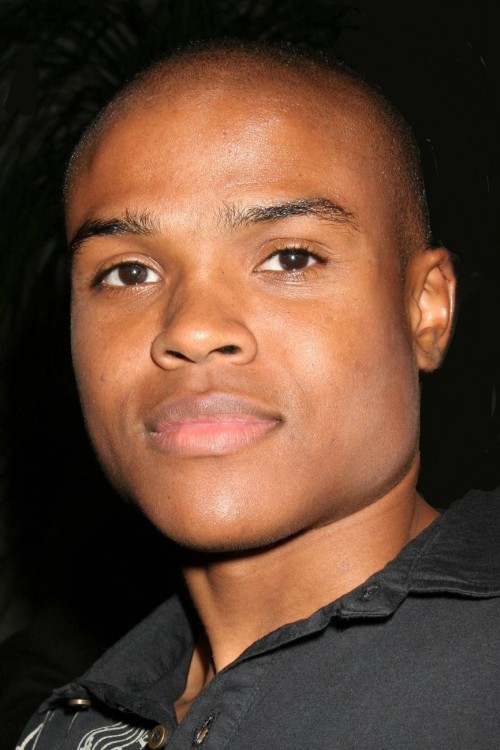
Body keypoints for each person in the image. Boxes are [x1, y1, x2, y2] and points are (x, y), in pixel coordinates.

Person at [16, 40, 500, 750]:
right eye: (128, 273)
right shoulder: (70, 724)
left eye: (290, 258)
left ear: (425, 309)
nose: (192, 329)